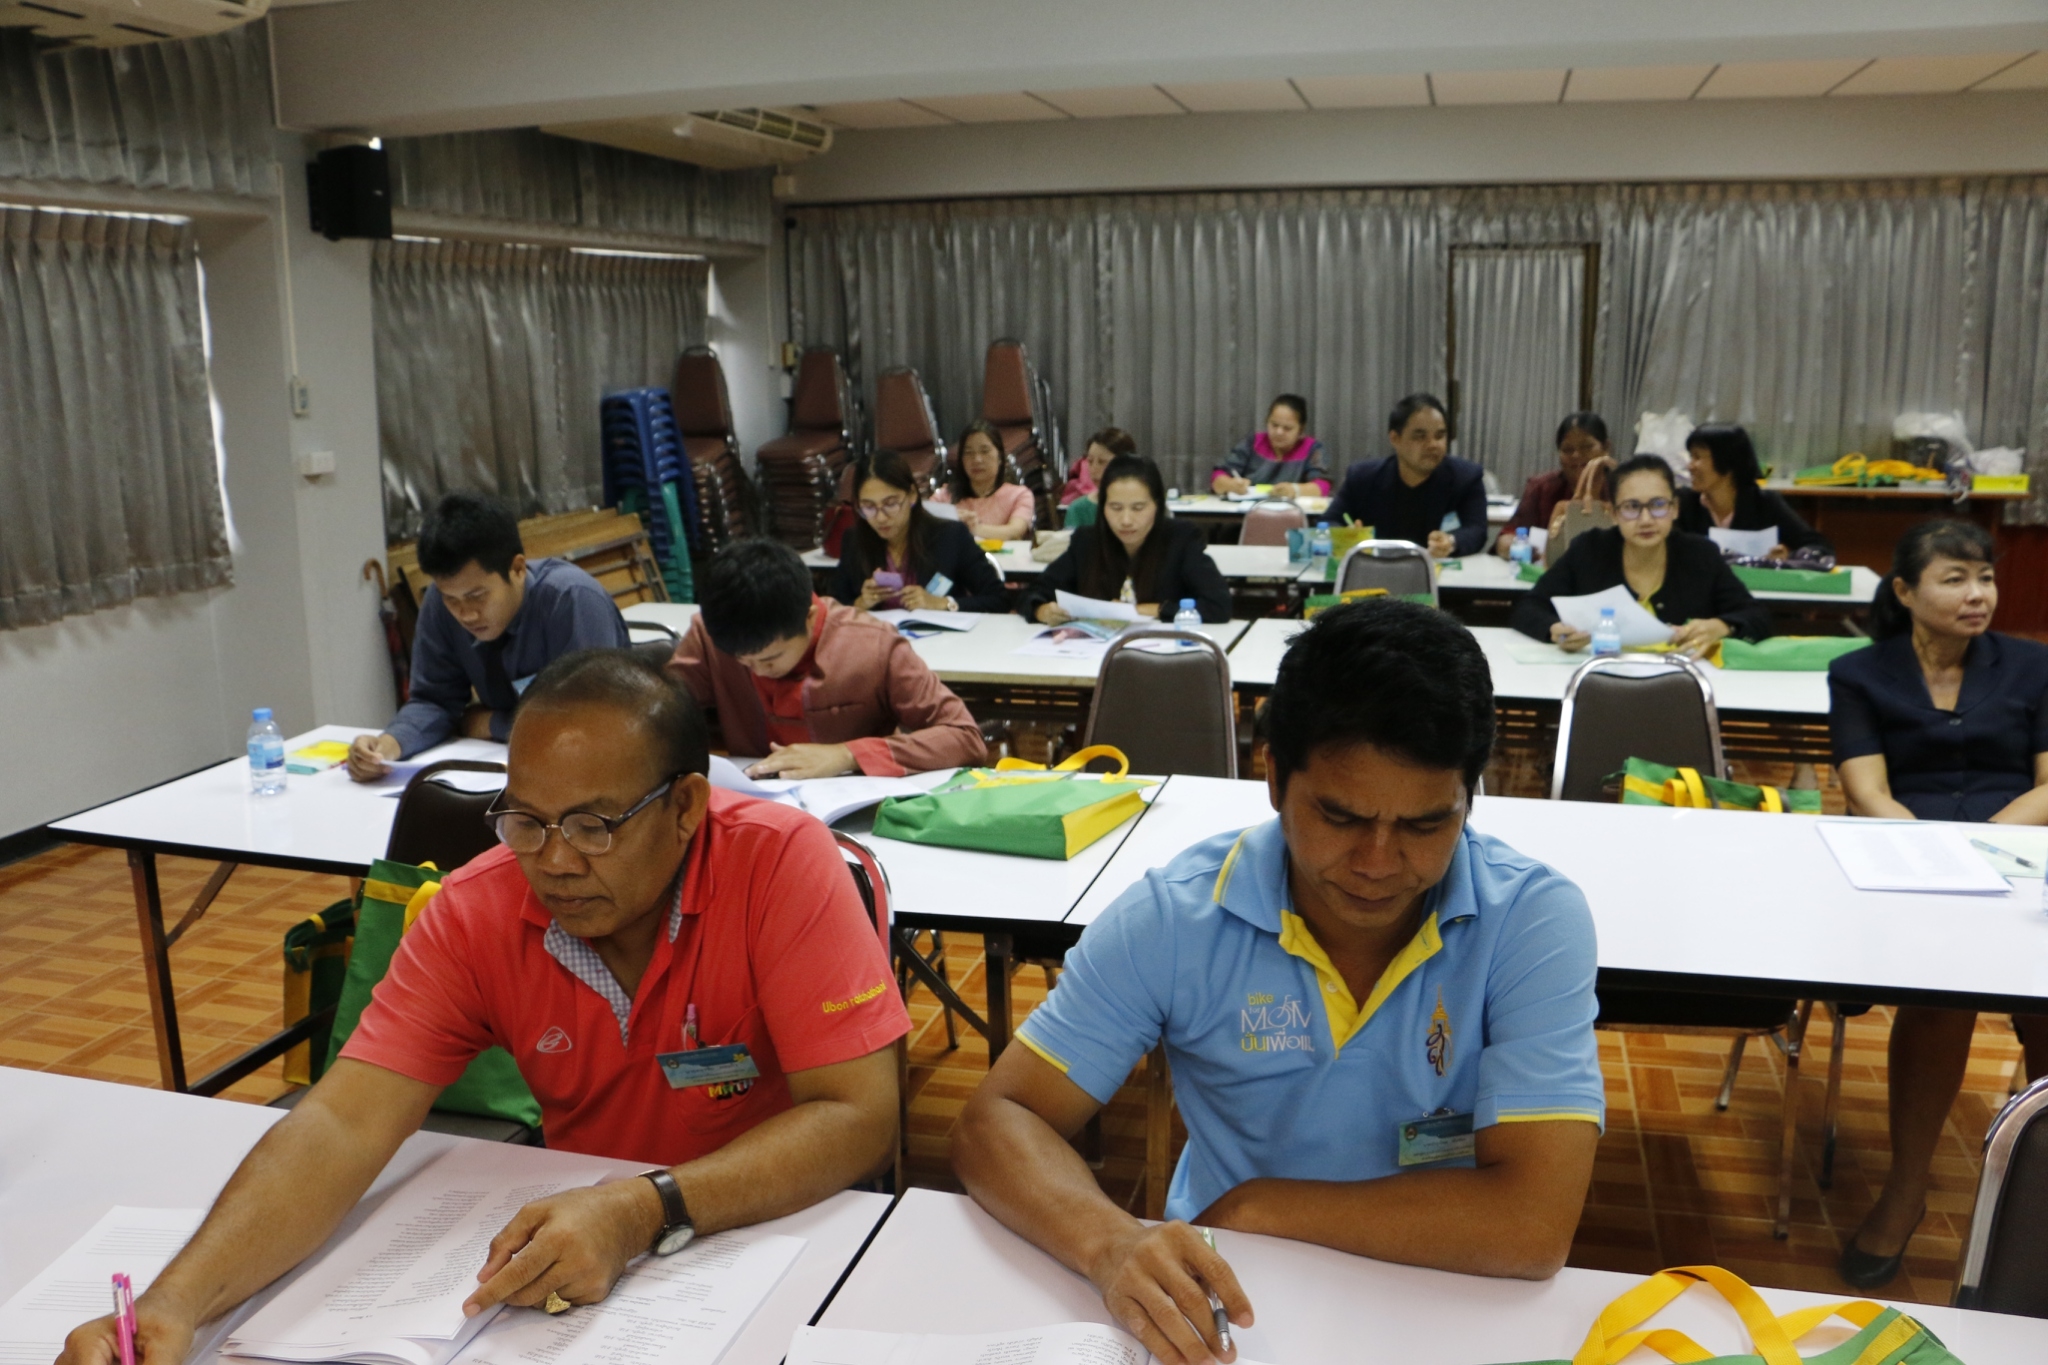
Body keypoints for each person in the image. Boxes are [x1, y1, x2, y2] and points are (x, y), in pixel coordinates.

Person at [60, 649, 907, 1365]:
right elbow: (344, 1122)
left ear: (685, 806)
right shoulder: (478, 910)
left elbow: (860, 1115)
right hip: (584, 1257)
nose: (556, 861)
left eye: (594, 825)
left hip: (774, 1231)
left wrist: (645, 1208)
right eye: (527, 821)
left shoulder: (778, 865)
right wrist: (175, 1304)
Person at [953, 600, 1603, 1365]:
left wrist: (1263, 1207)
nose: (1377, 861)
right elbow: (999, 1118)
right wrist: (1111, 1242)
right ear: (1270, 774)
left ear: (1469, 798)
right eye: (1340, 816)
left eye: (1425, 824)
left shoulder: (1529, 920)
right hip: (1237, 1299)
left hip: (1446, 1288)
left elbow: (1532, 1224)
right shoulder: (1177, 917)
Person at [1828, 520, 2048, 1289]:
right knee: (1941, 997)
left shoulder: (2033, 665)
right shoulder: (1860, 672)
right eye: (1954, 578)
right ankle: (1906, 1188)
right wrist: (1934, 857)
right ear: (1905, 591)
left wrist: (1983, 847)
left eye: (1984, 577)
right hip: (1910, 865)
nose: (1977, 593)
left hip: (2023, 862)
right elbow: (1867, 790)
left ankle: (2037, 1185)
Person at [346, 492, 628, 781]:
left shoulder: (572, 601)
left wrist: (490, 723)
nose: (466, 614)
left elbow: (586, 726)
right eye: (451, 599)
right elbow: (434, 700)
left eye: (477, 596)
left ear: (517, 569)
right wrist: (387, 746)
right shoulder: (440, 604)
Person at [669, 539, 985, 779]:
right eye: (742, 662)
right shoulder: (709, 635)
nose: (758, 671)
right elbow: (663, 717)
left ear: (809, 618)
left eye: (770, 659)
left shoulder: (872, 644)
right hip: (751, 805)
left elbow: (965, 737)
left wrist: (847, 755)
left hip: (852, 810)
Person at [1510, 455, 1772, 656]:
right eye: (1632, 507)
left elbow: (1758, 616)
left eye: (1658, 505)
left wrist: (1723, 626)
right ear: (1613, 514)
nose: (1646, 520)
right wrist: (1555, 630)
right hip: (1601, 681)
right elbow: (1528, 607)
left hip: (1681, 682)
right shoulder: (1589, 550)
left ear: (1675, 509)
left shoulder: (1700, 554)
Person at [1019, 455, 1230, 625]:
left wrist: (1151, 609)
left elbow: (1218, 605)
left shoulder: (1180, 540)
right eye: (1115, 508)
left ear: (1157, 506)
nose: (1126, 520)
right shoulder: (1087, 541)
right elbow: (1032, 593)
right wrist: (1042, 610)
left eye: (1138, 508)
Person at [829, 450, 1006, 613]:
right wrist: (860, 603)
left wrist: (942, 603)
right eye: (868, 507)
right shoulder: (855, 540)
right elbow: (831, 606)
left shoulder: (950, 536)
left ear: (912, 495)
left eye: (891, 504)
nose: (880, 518)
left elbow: (999, 599)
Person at [1323, 393, 1487, 559]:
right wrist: (1344, 534)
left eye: (1439, 436)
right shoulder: (1363, 477)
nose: (1432, 445)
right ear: (1395, 438)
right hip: (1377, 569)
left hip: (1440, 572)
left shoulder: (1466, 477)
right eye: (1420, 436)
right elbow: (1329, 521)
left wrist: (1450, 542)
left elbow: (1477, 530)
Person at [1676, 424, 1832, 559]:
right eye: (1691, 457)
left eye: (1697, 457)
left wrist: (1790, 557)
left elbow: (1819, 548)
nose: (1690, 466)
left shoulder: (1764, 503)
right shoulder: (1683, 503)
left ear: (1726, 461)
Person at [1495, 413, 1611, 557]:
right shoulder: (1541, 488)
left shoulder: (1622, 488)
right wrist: (1518, 548)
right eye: (1567, 450)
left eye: (1587, 447)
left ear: (1606, 447)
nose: (1576, 455)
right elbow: (1507, 536)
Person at [931, 418, 1034, 541]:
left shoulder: (1019, 495)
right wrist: (948, 517)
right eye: (968, 452)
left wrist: (973, 528)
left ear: (1000, 457)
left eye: (985, 451)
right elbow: (920, 519)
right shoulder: (945, 495)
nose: (977, 459)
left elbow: (1015, 531)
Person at [1212, 395, 1331, 499]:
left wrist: (1295, 490)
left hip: (1293, 513)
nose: (1279, 432)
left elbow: (1323, 486)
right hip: (1248, 512)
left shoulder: (1312, 449)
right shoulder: (1252, 442)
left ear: (1301, 430)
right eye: (1274, 425)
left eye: (1287, 428)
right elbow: (1218, 476)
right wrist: (1230, 485)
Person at [1060, 426, 1138, 528]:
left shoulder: (1143, 506)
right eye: (1090, 461)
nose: (1094, 469)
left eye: (1102, 462)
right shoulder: (1079, 509)